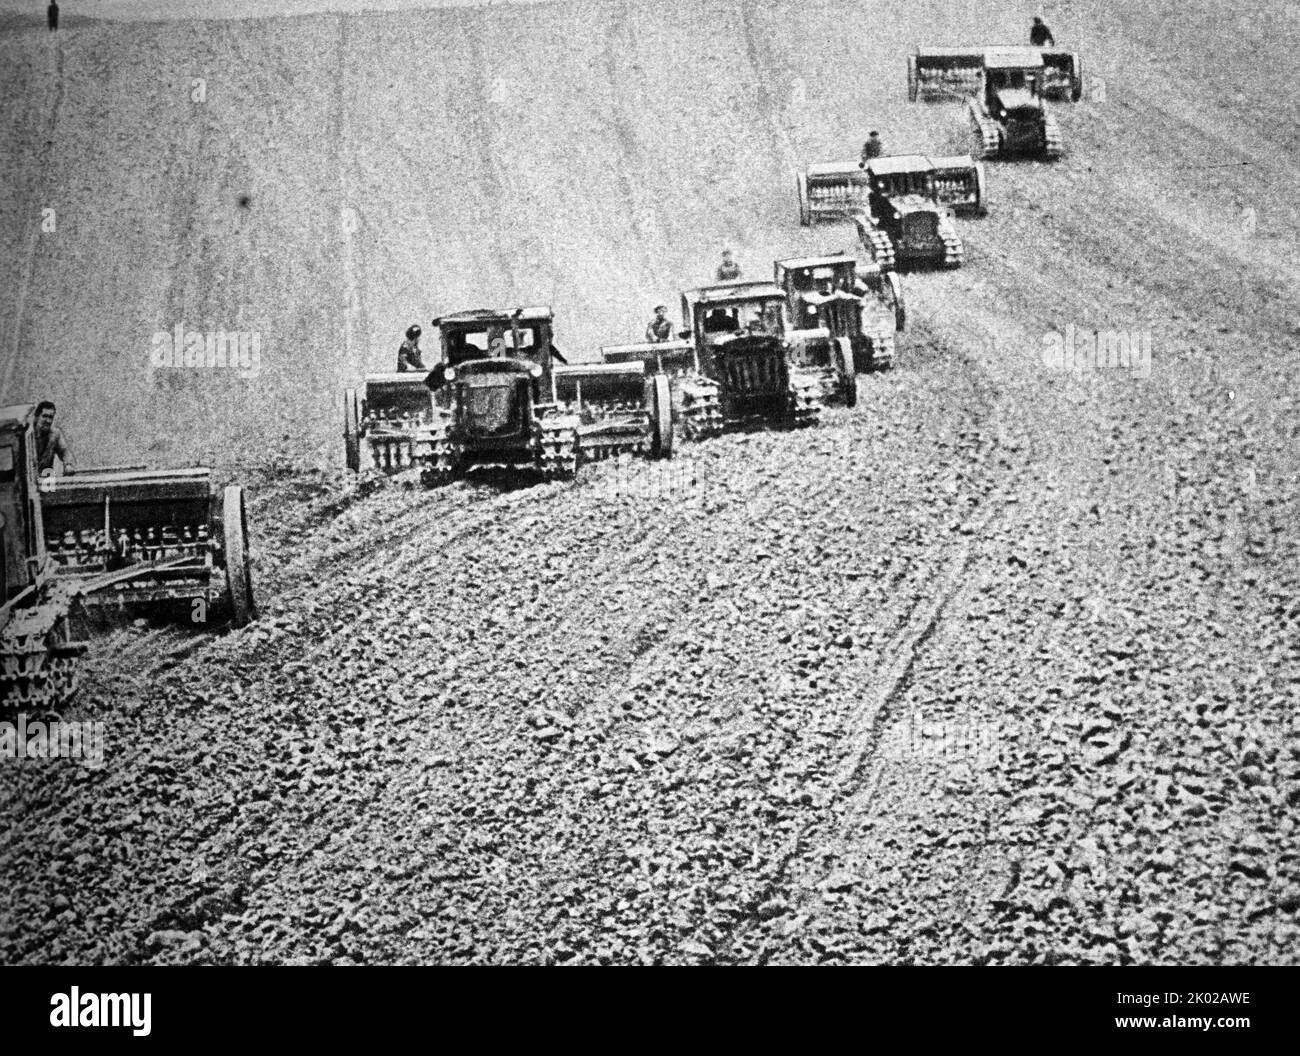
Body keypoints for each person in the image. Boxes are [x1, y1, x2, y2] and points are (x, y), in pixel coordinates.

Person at [34, 400, 74, 476]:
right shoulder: (28, 435)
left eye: (50, 417)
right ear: (36, 416)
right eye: (44, 416)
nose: (48, 421)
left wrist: (68, 464)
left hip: (46, 479)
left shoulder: (55, 434)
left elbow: (65, 451)